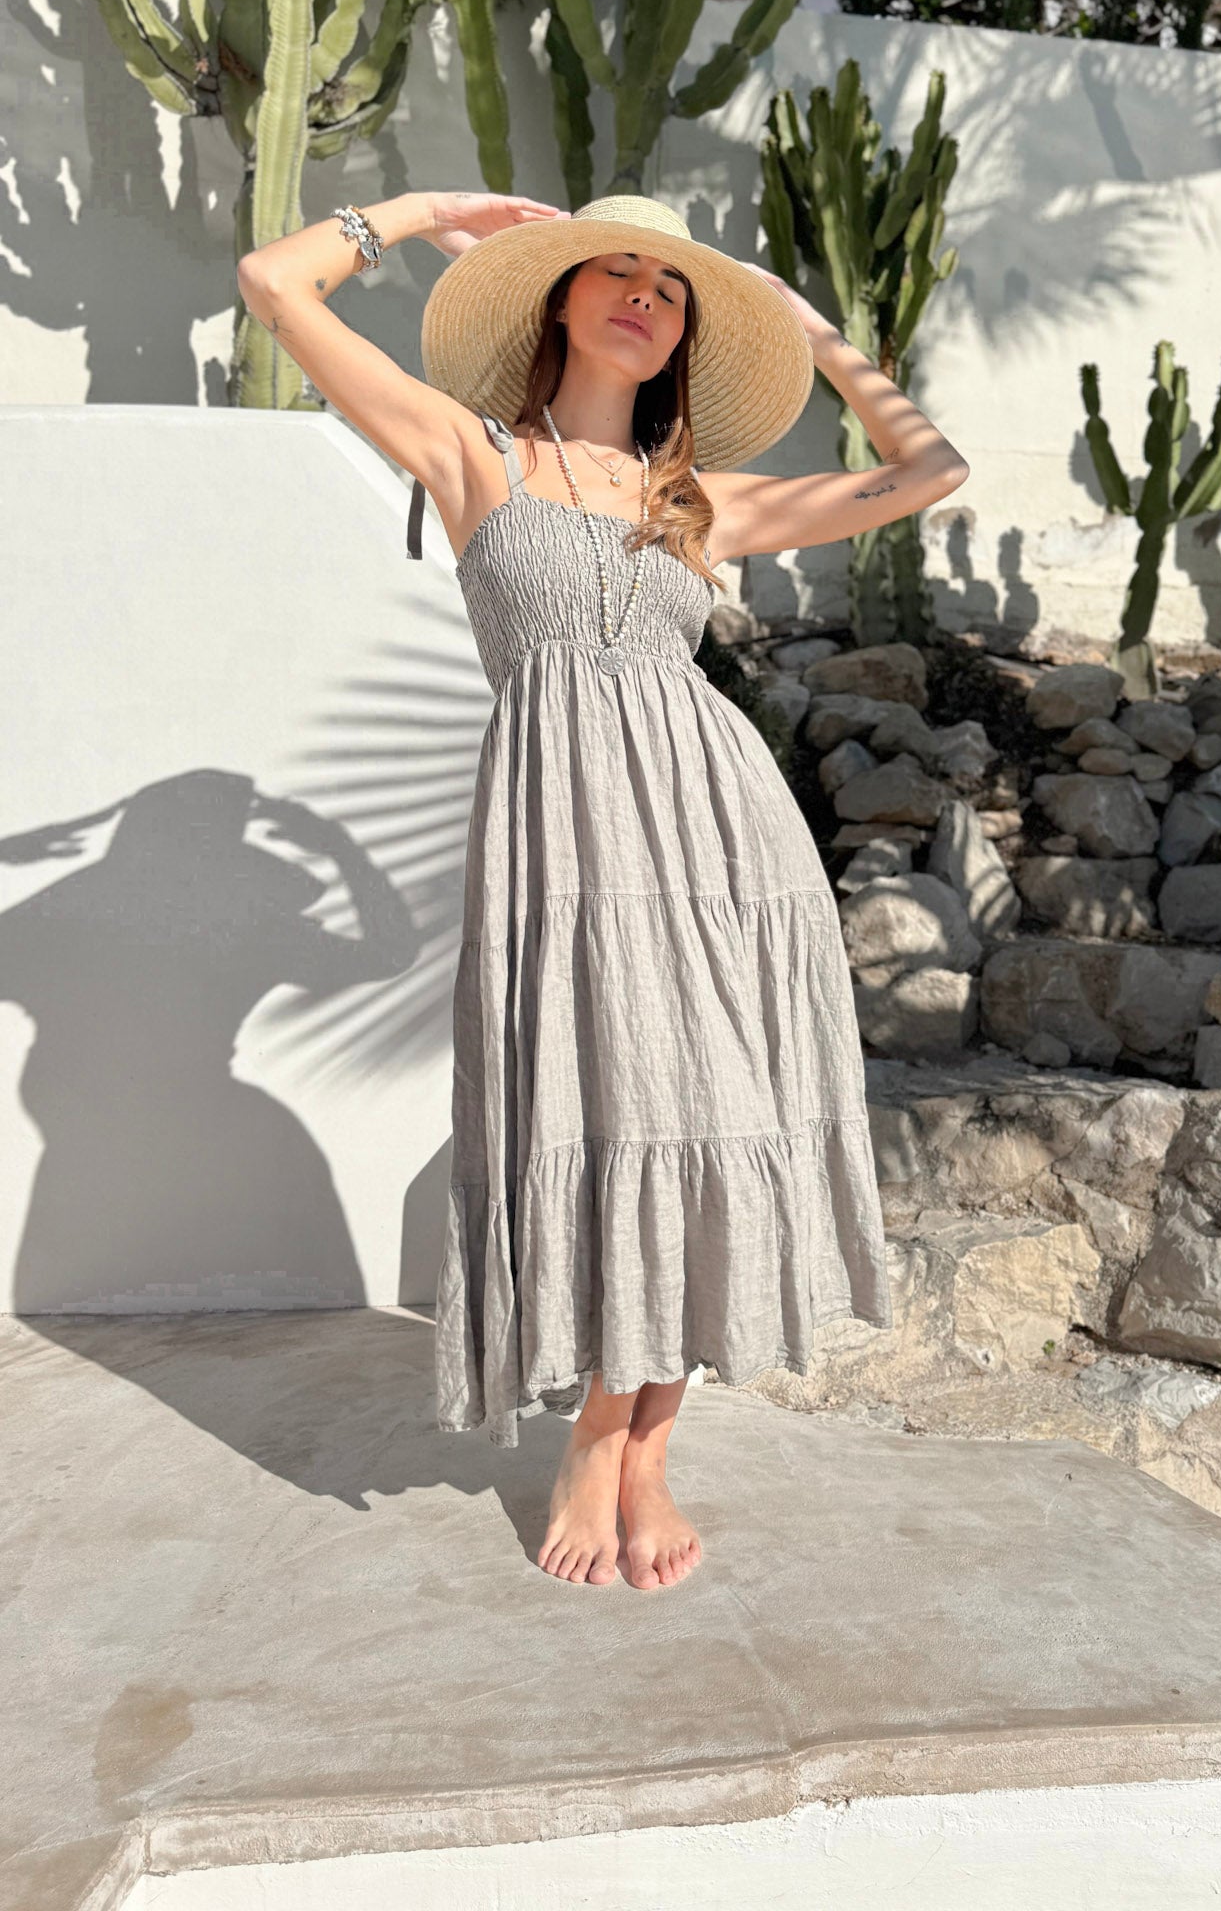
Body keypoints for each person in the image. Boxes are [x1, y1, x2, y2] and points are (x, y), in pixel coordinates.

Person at [237, 188, 970, 1593]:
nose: (644, 293)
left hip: (724, 847)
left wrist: (812, 331)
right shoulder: (470, 453)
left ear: (684, 334)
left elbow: (927, 470)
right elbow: (277, 283)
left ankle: (647, 1446)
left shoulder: (699, 503)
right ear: (557, 299)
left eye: (672, 286)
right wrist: (430, 211)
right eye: (614, 269)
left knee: (713, 1111)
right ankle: (596, 1427)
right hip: (566, 849)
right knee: (610, 1106)